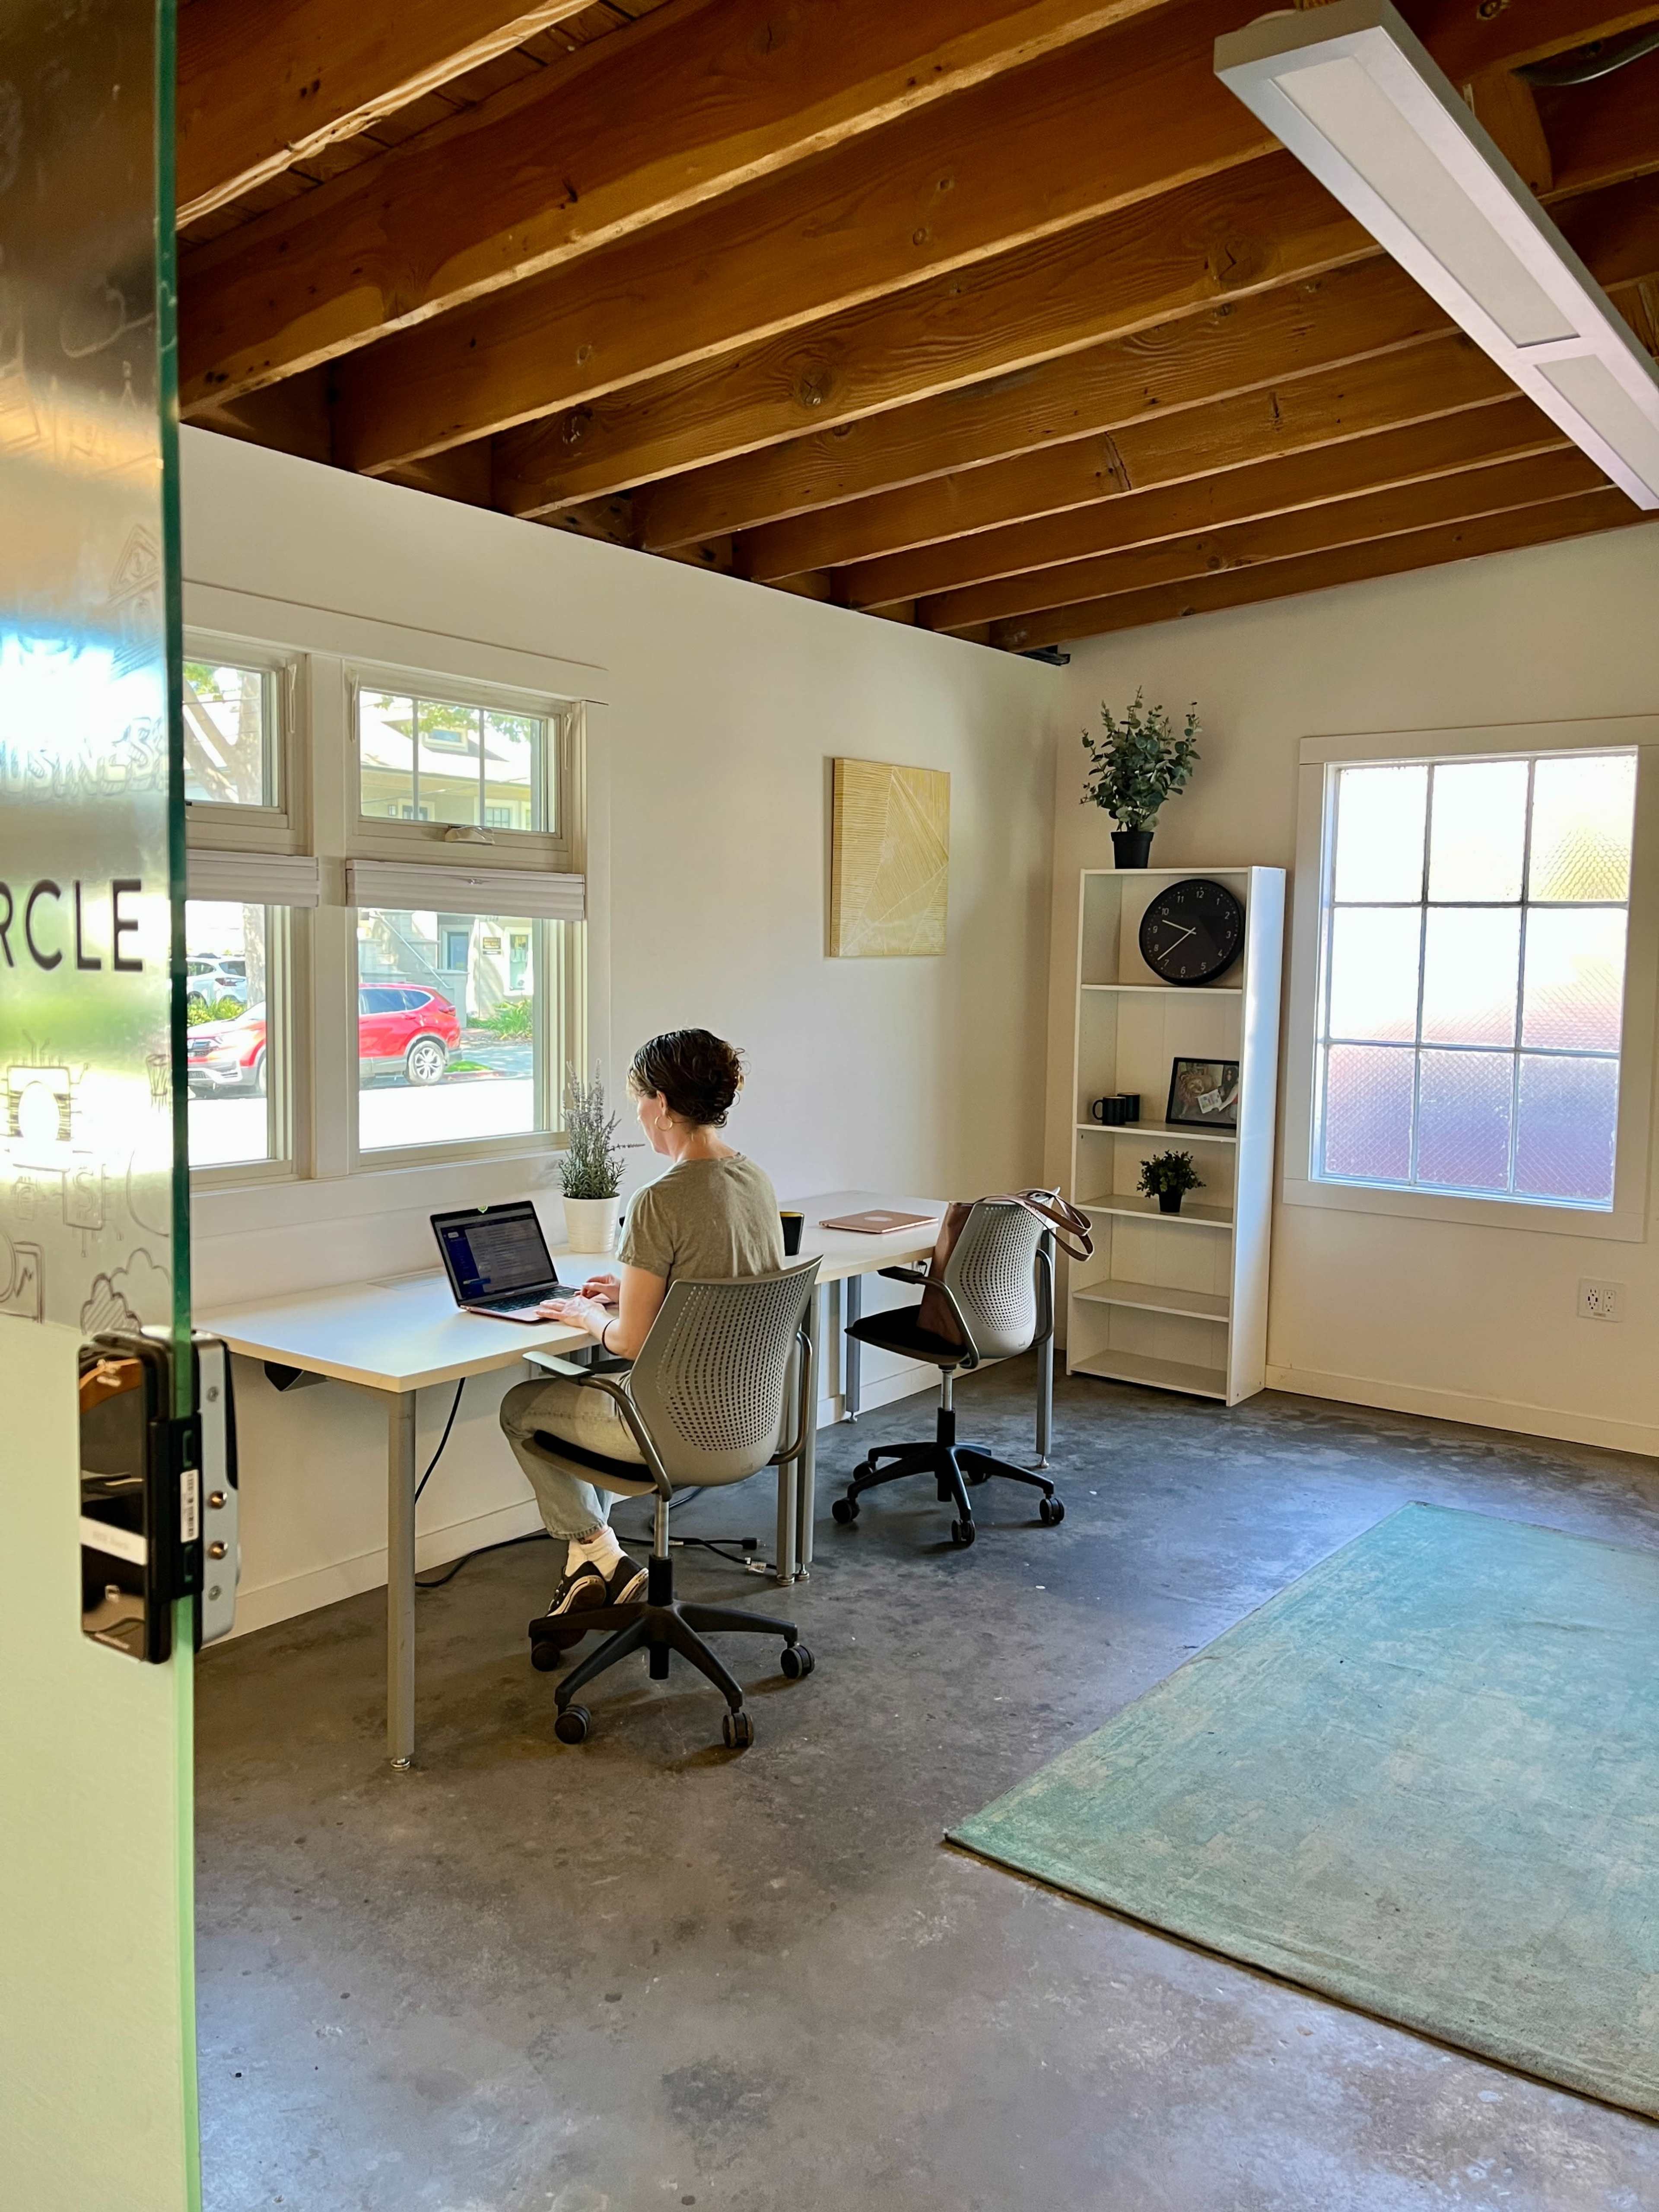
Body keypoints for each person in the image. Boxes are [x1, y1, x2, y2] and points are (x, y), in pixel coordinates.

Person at [499, 1029, 785, 1628]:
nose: (637, 1114)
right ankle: (590, 1564)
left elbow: (629, 1342)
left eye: (639, 1101)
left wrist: (590, 1315)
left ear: (662, 1104)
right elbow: (720, 1284)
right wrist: (630, 1290)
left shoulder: (659, 1199)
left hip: (667, 1423)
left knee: (520, 1407)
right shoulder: (755, 1180)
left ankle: (599, 1550)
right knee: (591, 1386)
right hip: (746, 1416)